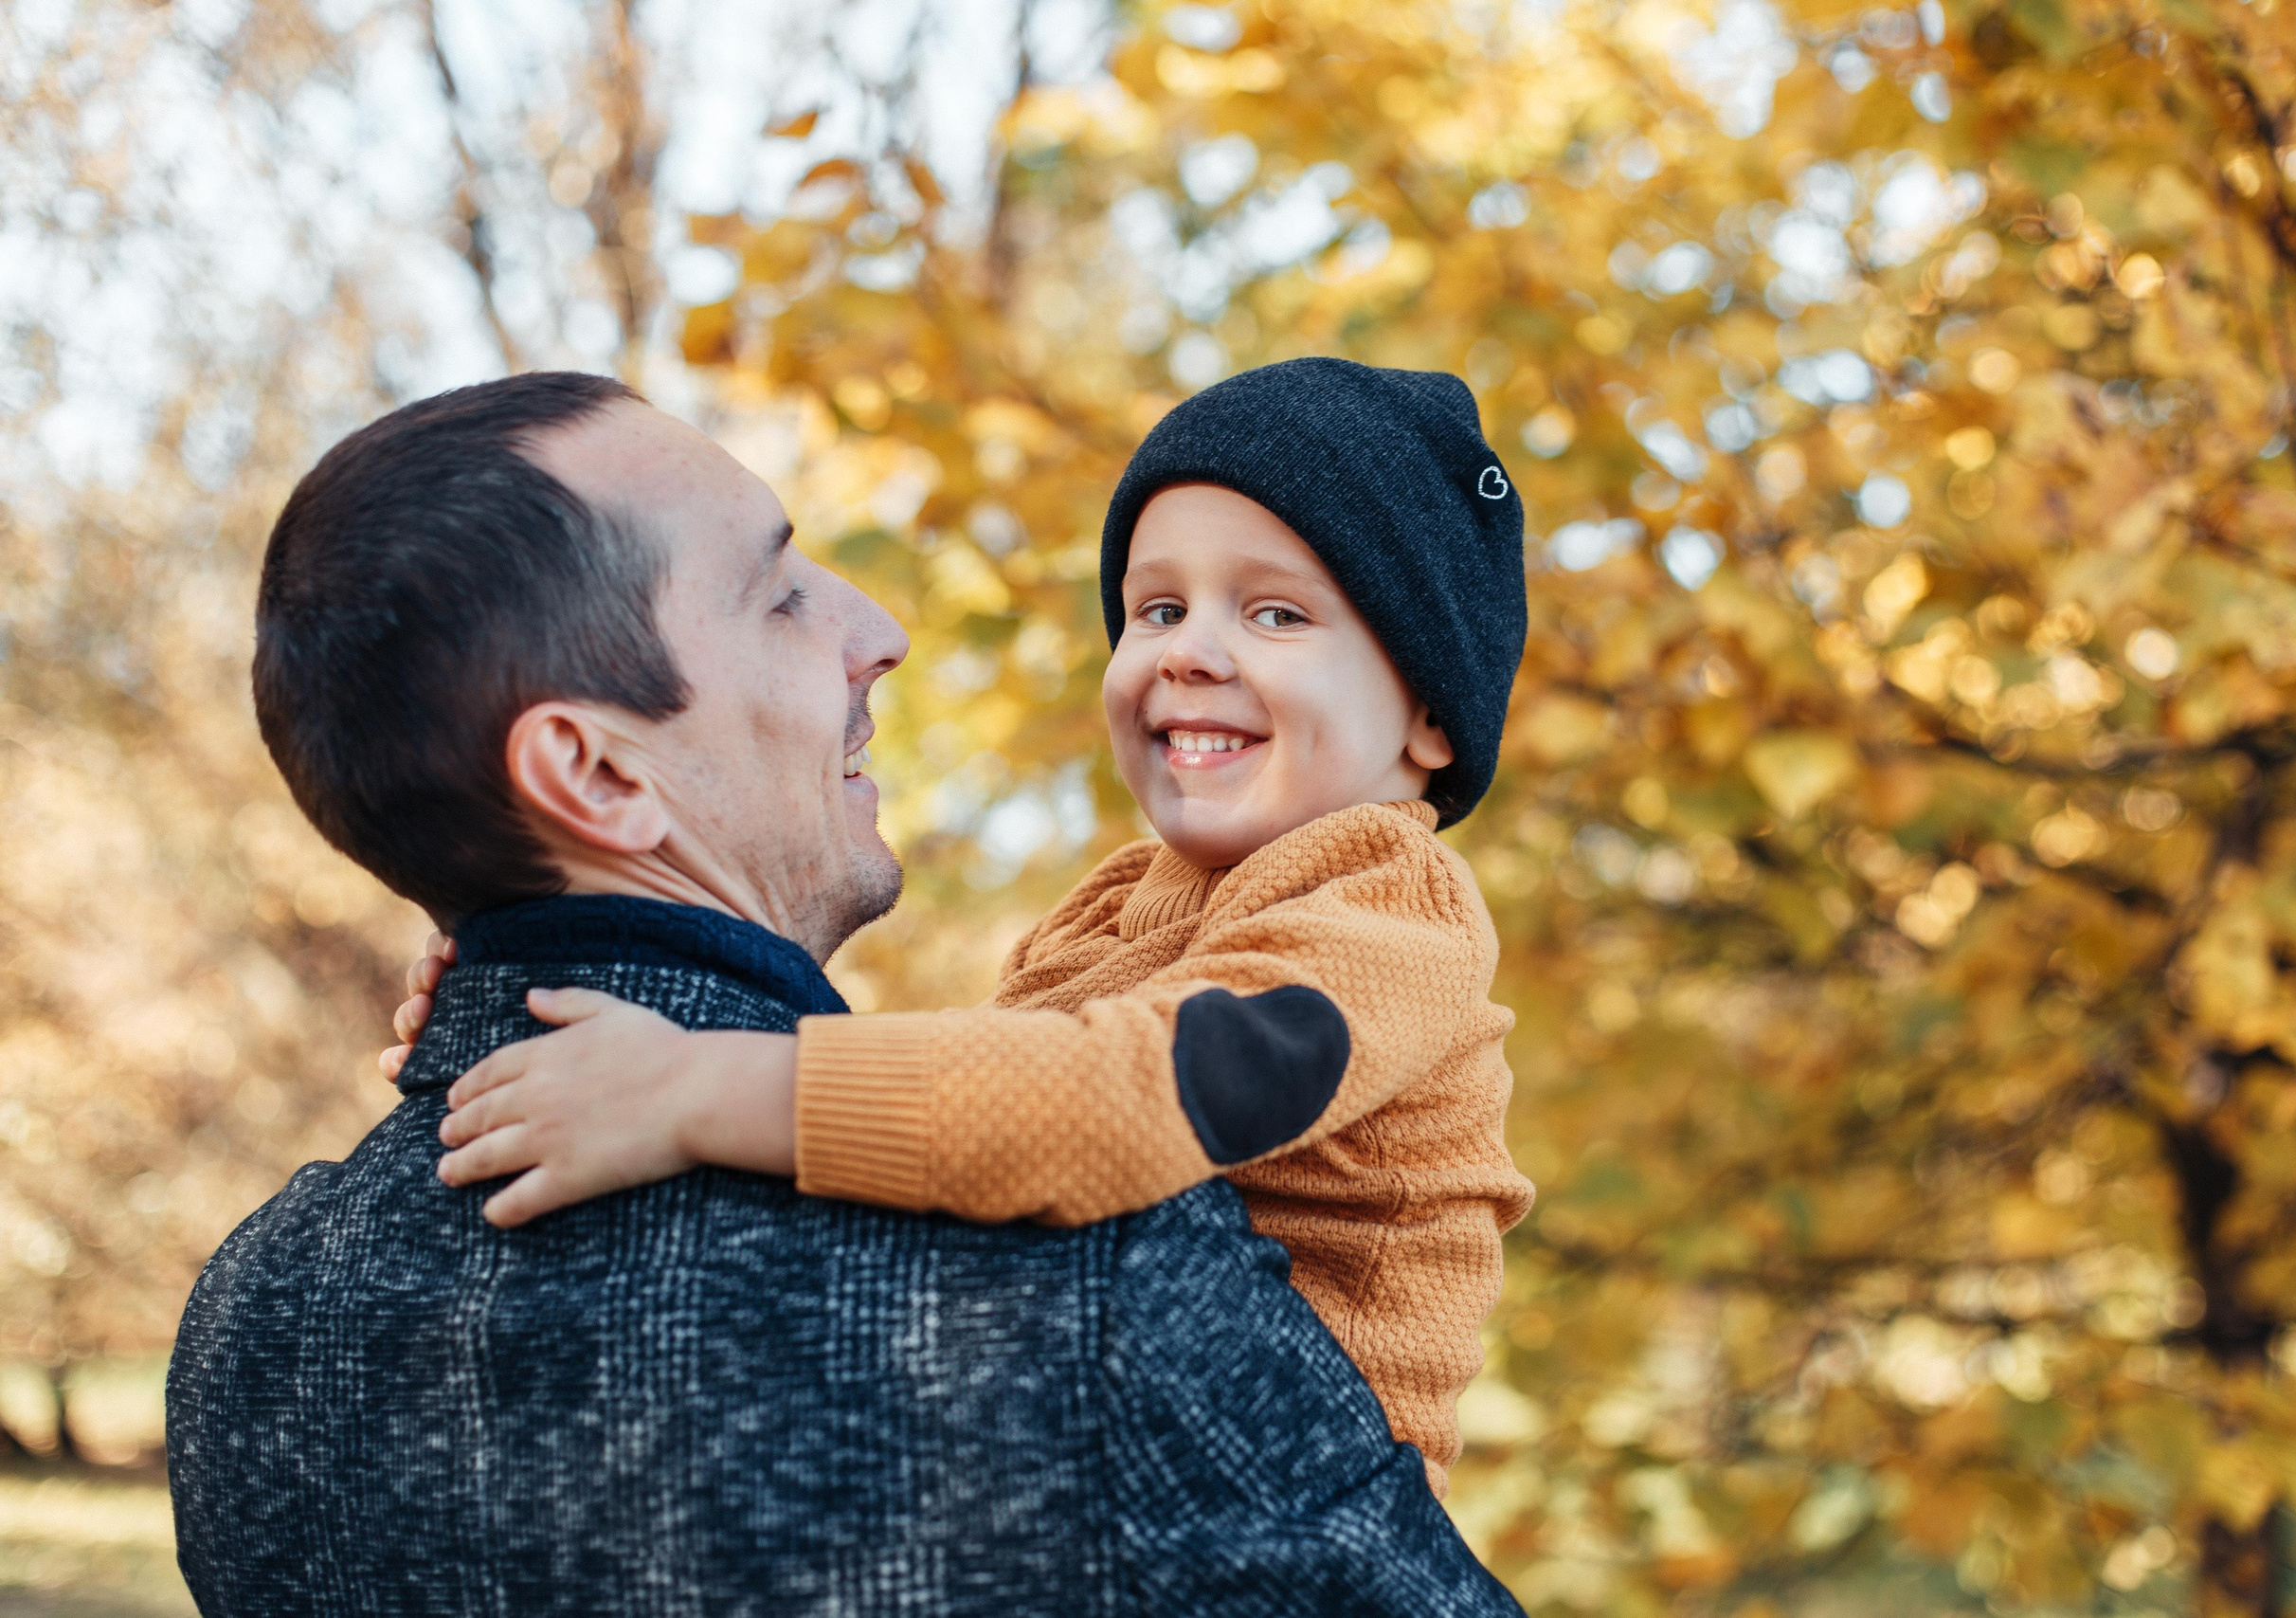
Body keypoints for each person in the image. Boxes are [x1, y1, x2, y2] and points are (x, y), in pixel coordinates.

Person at [166, 371, 1521, 1616]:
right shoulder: (1095, 1272)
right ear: (596, 774)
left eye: (1275, 613)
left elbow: (1101, 1080)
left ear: (1427, 720)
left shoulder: (250, 1324)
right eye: (780, 595)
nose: (881, 629)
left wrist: (534, 1003)